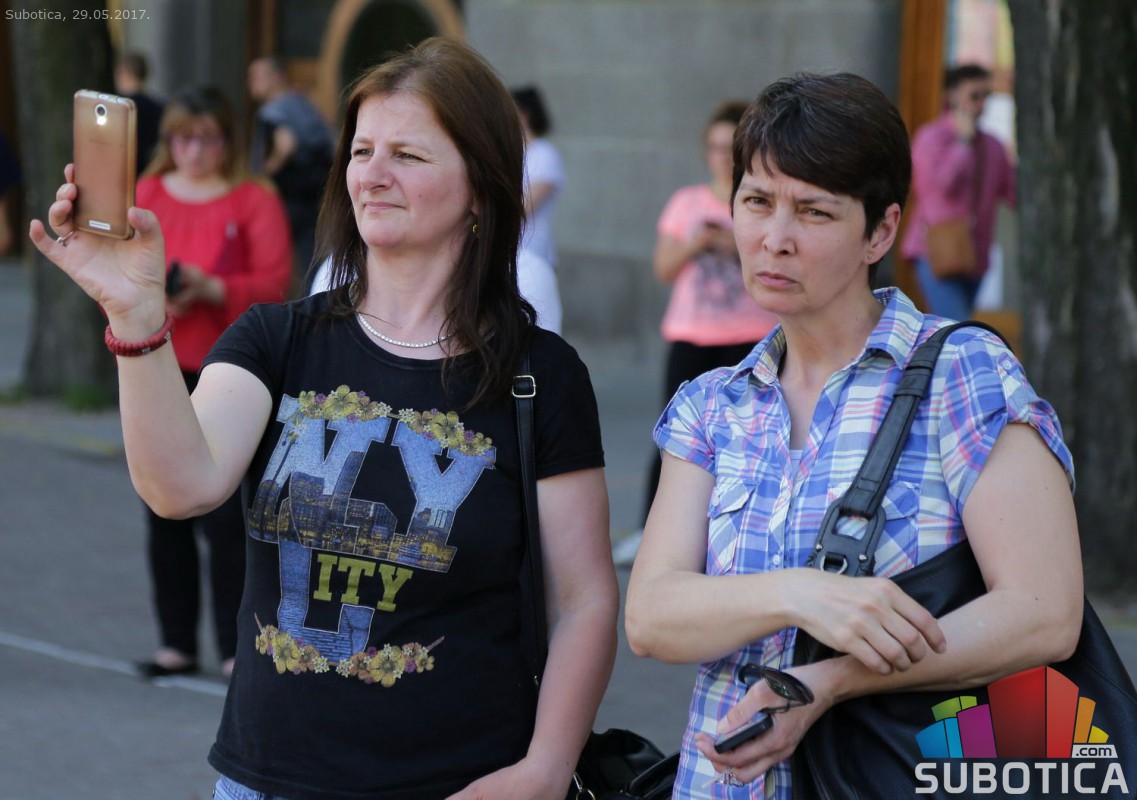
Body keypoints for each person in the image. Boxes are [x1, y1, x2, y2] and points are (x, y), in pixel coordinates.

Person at [32, 37, 618, 800]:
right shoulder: (276, 340)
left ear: (480, 185)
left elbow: (583, 600)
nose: (372, 174)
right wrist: (135, 317)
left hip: (460, 783)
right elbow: (180, 487)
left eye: (407, 155)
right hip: (268, 782)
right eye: (362, 150)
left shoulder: (540, 375)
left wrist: (542, 771)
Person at [624, 72, 1082, 798]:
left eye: (814, 212)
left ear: (881, 231)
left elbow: (1044, 613)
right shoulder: (713, 404)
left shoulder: (962, 371)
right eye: (756, 201)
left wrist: (833, 680)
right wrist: (799, 594)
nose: (774, 240)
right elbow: (651, 616)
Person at [133, 85, 293, 678]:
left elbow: (276, 284)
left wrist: (213, 288)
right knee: (162, 508)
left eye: (206, 139)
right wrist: (156, 301)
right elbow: (118, 274)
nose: (194, 151)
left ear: (228, 140)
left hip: (230, 370)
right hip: (163, 364)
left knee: (229, 515)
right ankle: (175, 641)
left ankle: (233, 645)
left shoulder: (254, 198)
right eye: (182, 138)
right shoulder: (147, 194)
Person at [636, 100, 778, 542]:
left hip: (751, 335)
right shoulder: (688, 202)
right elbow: (663, 268)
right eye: (714, 147)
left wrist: (734, 246)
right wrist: (696, 243)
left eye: (728, 147)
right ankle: (651, 533)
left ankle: (736, 532)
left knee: (749, 438)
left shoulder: (761, 203)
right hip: (693, 337)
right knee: (674, 435)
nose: (720, 156)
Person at [901, 64, 1016, 320]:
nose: (982, 103)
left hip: (975, 255)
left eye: (986, 96)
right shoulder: (931, 138)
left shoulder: (993, 146)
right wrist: (962, 144)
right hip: (935, 250)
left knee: (953, 327)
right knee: (958, 327)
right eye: (975, 96)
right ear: (951, 96)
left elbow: (1013, 194)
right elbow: (940, 185)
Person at [247, 55, 336, 294]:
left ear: (277, 78)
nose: (251, 82)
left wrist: (265, 172)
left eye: (258, 76)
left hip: (286, 195)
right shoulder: (303, 102)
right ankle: (314, 299)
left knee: (277, 256)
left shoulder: (273, 110)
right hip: (313, 193)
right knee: (309, 256)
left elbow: (286, 144)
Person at [511, 86, 564, 270]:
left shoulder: (544, 154)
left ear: (524, 116)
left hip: (531, 254)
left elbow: (524, 207)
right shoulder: (513, 153)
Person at [113, 50, 164, 175]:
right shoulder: (159, 107)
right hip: (151, 172)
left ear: (123, 73)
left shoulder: (115, 109)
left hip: (123, 172)